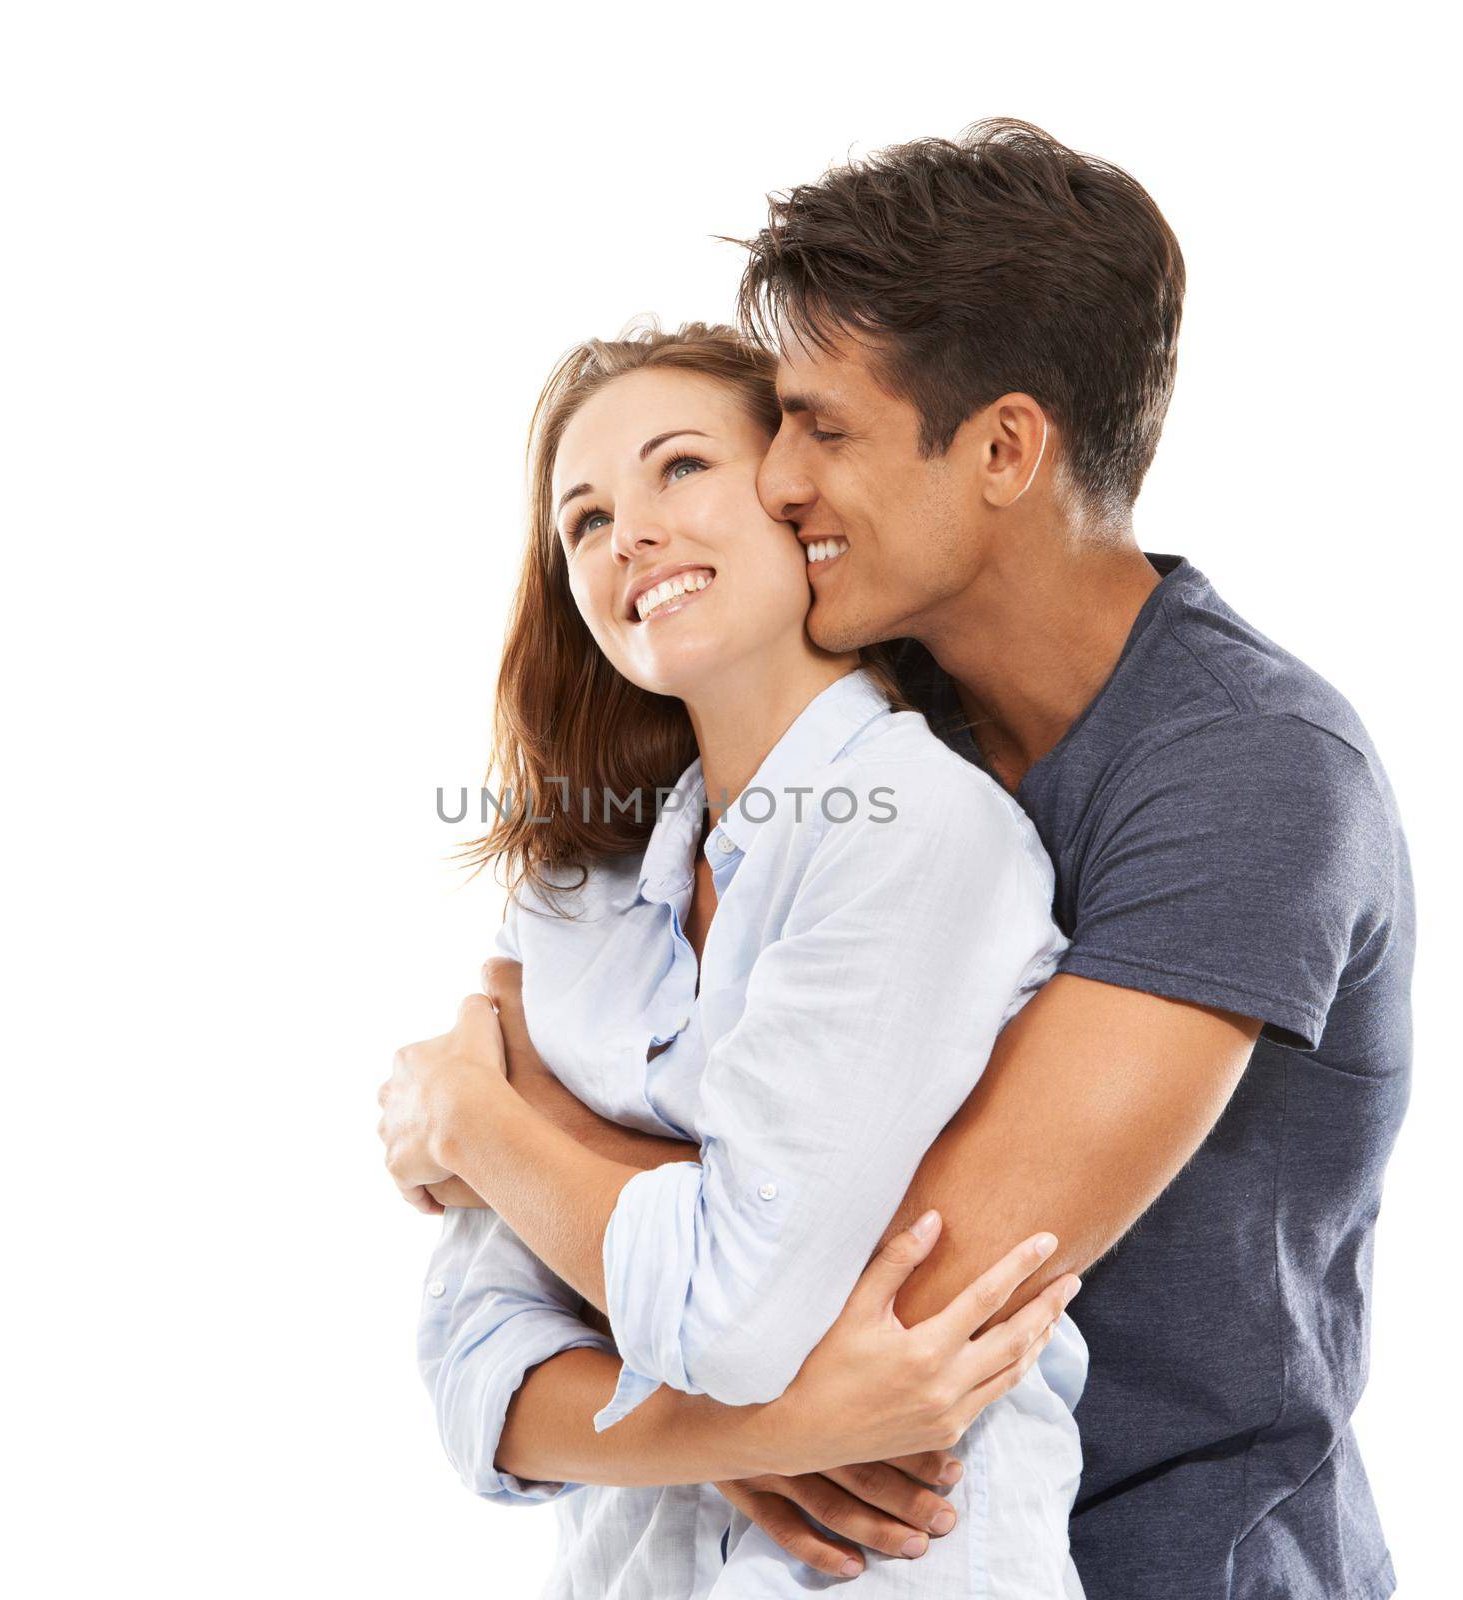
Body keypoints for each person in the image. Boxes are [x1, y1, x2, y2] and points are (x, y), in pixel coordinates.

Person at [451, 121, 1414, 1599]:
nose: (780, 481)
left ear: (1005, 450)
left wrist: (483, 1135)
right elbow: (730, 1280)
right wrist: (721, 1389)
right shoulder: (880, 730)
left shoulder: (1250, 773)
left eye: (823, 430)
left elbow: (877, 1283)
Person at [379, 322, 1089, 1596]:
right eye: (584, 520)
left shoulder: (919, 827)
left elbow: (731, 1312)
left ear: (794, 503)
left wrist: (472, 1115)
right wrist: (770, 1434)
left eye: (679, 468)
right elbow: (472, 1360)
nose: (629, 534)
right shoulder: (577, 891)